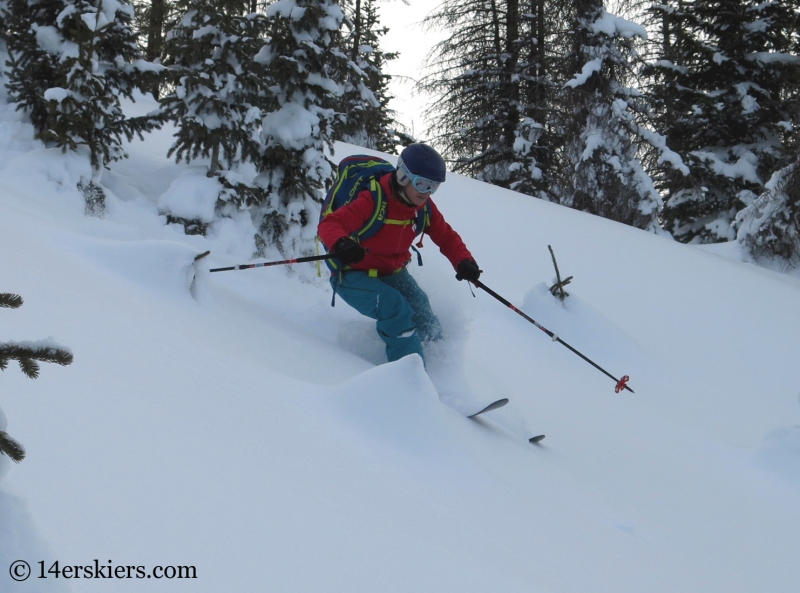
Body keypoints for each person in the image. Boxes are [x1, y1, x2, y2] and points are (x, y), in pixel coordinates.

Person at [317, 143, 481, 366]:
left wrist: (464, 261)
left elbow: (446, 236)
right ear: (404, 177)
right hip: (352, 273)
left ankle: (441, 371)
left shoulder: (423, 207)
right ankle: (410, 381)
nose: (427, 192)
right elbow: (331, 223)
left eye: (434, 186)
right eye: (422, 184)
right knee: (394, 307)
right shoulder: (373, 199)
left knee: (420, 306)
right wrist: (342, 243)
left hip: (391, 271)